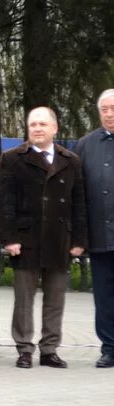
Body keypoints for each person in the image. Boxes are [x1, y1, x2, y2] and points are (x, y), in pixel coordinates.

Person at [0, 107, 86, 369]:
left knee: (55, 297)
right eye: (33, 124)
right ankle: (24, 348)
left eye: (42, 124)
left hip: (60, 238)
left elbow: (79, 203)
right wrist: (9, 238)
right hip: (26, 239)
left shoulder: (71, 160)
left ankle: (50, 349)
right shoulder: (13, 158)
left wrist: (79, 240)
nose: (37, 128)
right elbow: (4, 203)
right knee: (24, 298)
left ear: (55, 129)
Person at [73, 89, 114, 368]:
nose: (109, 114)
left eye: (113, 108)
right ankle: (109, 347)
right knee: (104, 297)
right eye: (104, 109)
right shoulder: (85, 145)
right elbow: (77, 195)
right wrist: (80, 236)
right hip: (99, 236)